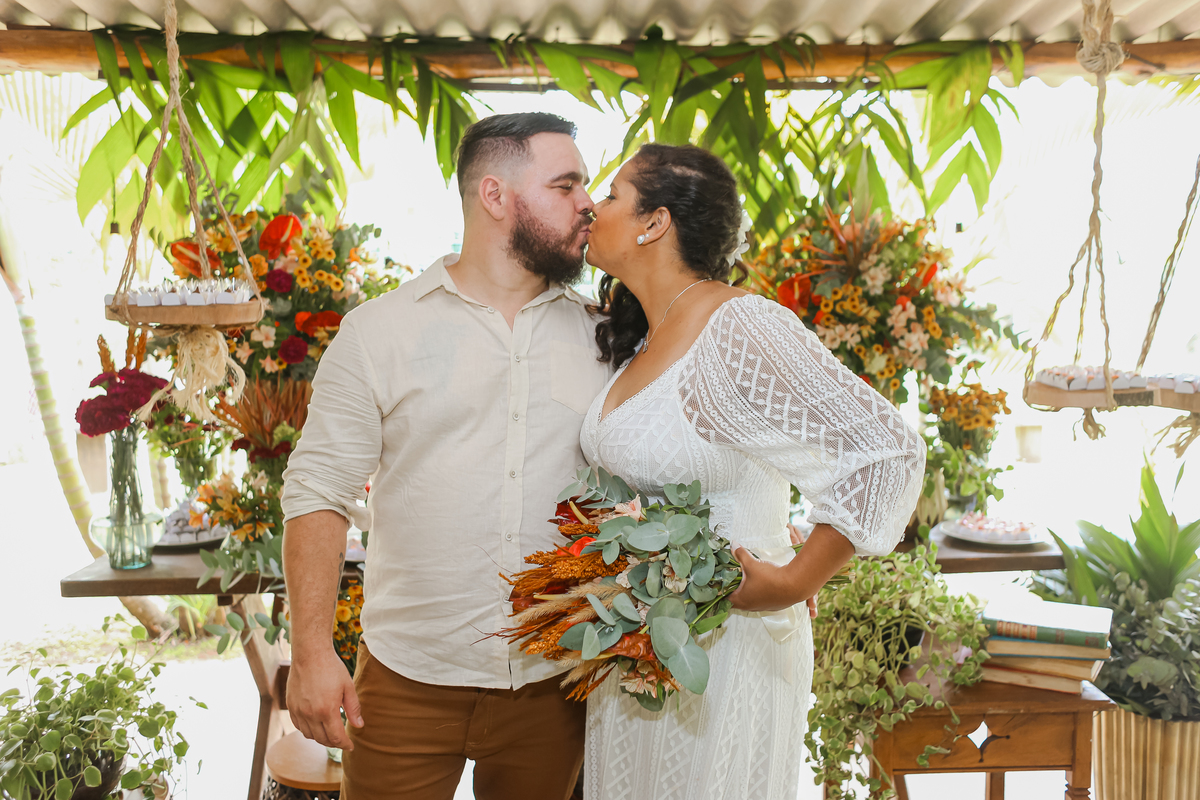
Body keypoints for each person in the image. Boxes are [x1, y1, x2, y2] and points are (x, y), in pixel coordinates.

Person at [279, 112, 612, 800]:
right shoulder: (380, 331)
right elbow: (318, 489)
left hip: (554, 682)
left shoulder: (604, 335)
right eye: (566, 185)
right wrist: (312, 652)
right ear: (495, 196)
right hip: (405, 681)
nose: (589, 205)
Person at [579, 143, 926, 800]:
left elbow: (885, 450)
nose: (593, 208)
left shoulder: (741, 326)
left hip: (727, 643)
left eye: (612, 195)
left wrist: (794, 579)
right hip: (639, 648)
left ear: (655, 223)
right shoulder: (645, 333)